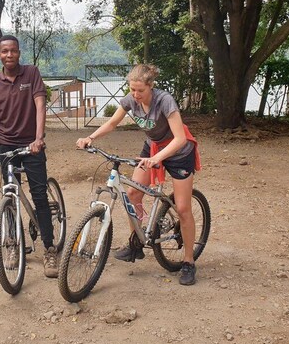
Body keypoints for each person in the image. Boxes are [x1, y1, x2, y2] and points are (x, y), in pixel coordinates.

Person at [76, 64, 200, 286]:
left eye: (140, 90)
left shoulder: (165, 101)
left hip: (179, 152)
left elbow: (180, 138)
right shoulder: (130, 100)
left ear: (151, 86)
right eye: (132, 89)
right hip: (152, 148)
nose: (135, 95)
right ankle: (137, 243)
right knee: (133, 193)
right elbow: (113, 122)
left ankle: (189, 261)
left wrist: (159, 158)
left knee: (182, 208)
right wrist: (90, 138)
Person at [0, 35, 59, 278]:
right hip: (6, 146)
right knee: (9, 196)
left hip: (32, 146)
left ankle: (49, 248)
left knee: (39, 195)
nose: (9, 55)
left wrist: (38, 138)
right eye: (5, 51)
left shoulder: (31, 74)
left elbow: (40, 105)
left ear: (19, 53)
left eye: (13, 51)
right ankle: (13, 246)